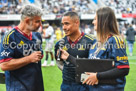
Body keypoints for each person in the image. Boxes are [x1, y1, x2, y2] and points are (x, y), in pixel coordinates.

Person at [60, 7, 129, 91]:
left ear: (103, 21)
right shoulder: (95, 42)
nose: (93, 22)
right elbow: (89, 65)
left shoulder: (115, 40)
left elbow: (123, 69)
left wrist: (97, 76)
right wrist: (69, 57)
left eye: (95, 19)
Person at [0, 4, 44, 91]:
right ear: (27, 21)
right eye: (37, 21)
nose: (40, 24)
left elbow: (38, 56)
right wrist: (29, 58)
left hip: (37, 86)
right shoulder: (10, 37)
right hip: (18, 87)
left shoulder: (37, 35)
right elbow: (4, 65)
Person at [55, 11, 96, 91]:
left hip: (86, 85)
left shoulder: (91, 41)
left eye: (67, 24)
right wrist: (69, 71)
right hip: (66, 85)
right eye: (62, 24)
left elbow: (95, 65)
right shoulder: (59, 44)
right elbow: (59, 63)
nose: (63, 27)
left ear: (76, 23)